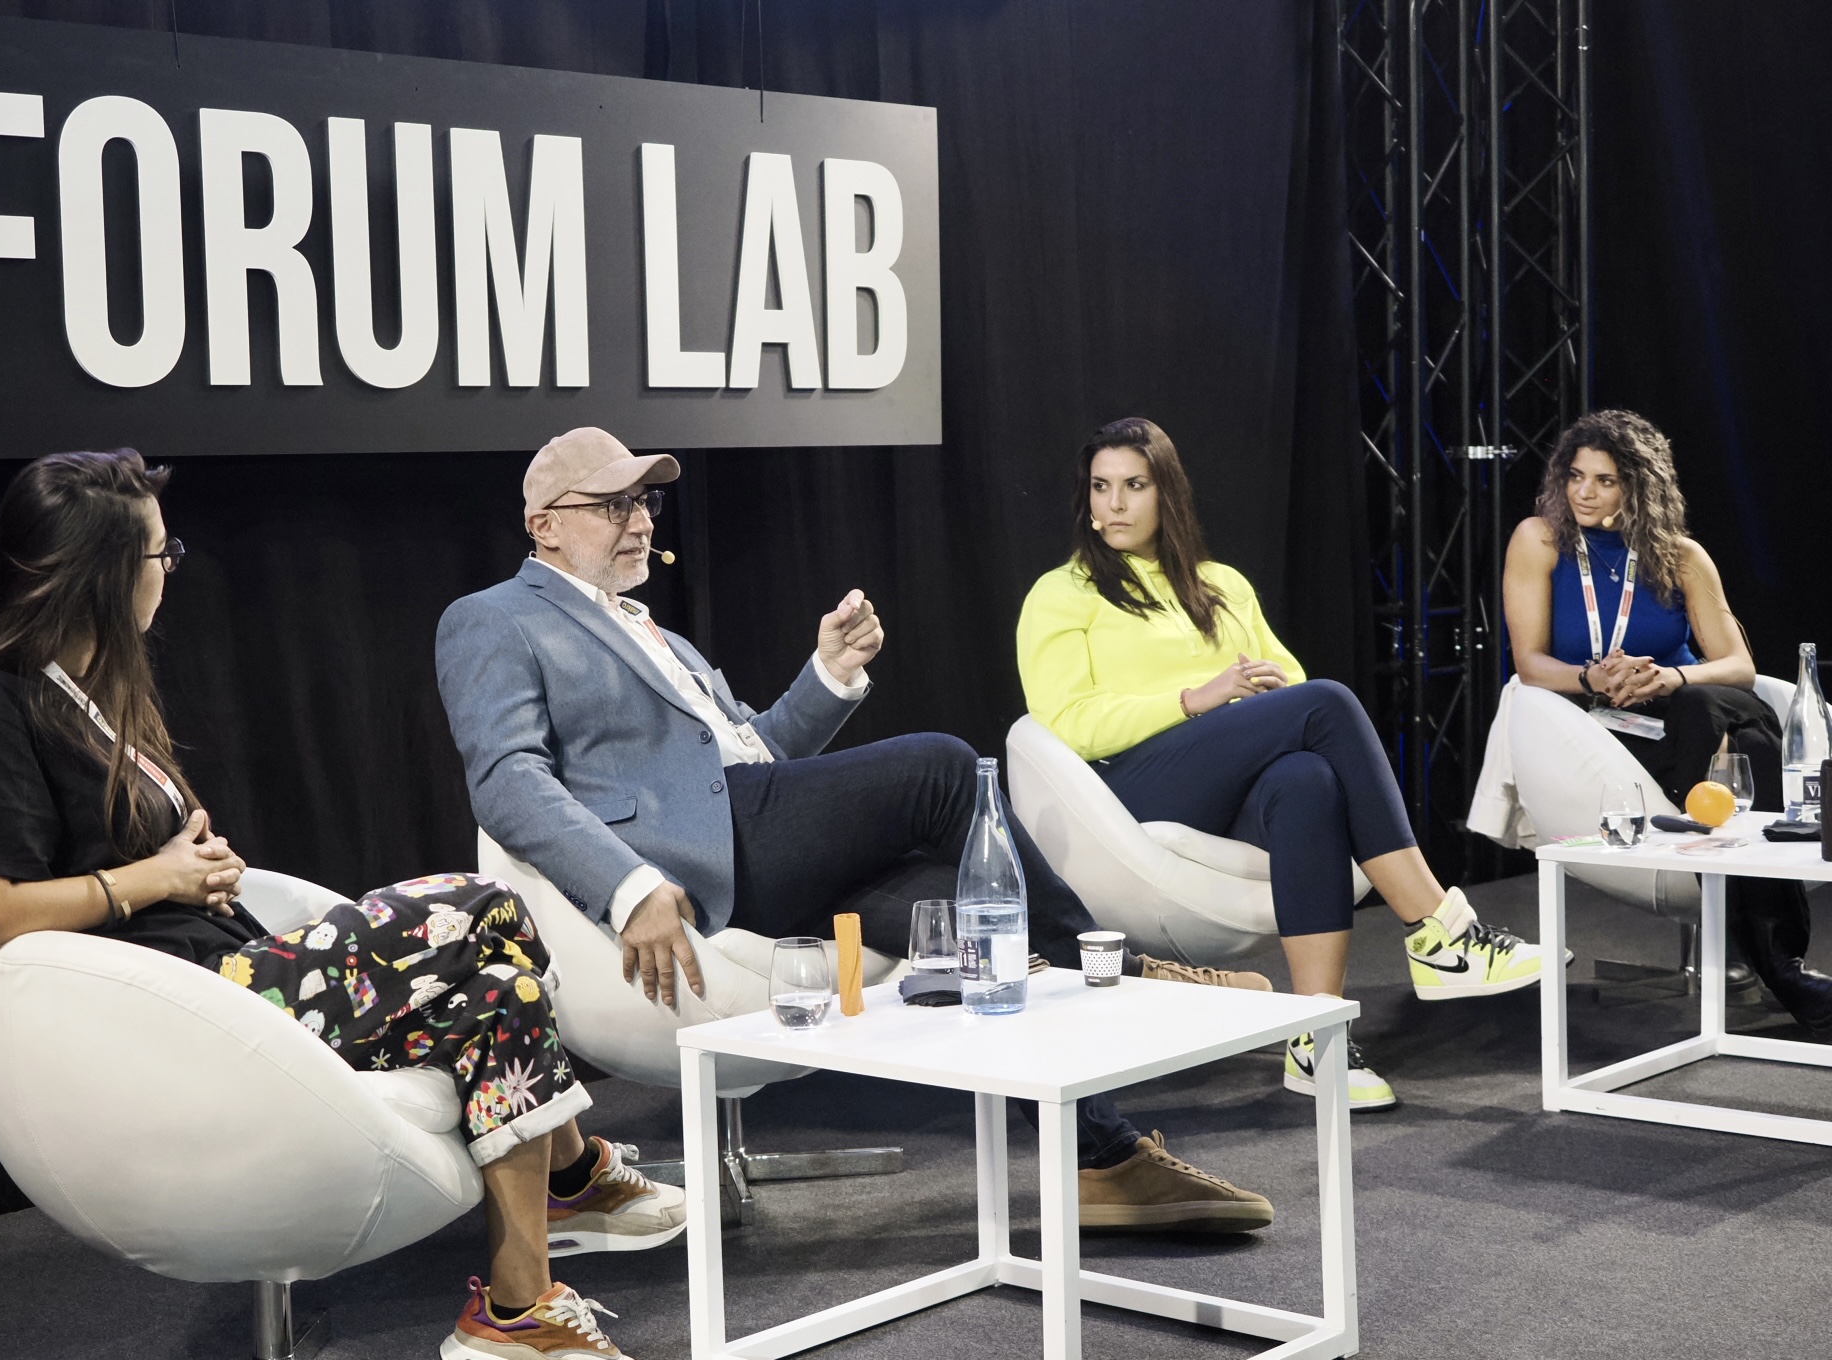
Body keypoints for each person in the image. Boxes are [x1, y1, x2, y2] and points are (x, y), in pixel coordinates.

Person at [0, 449, 682, 1360]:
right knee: (482, 904)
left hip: (230, 965)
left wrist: (189, 864)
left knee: (504, 1000)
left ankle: (516, 1313)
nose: (169, 573)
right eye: (161, 556)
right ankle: (577, 1171)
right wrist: (155, 879)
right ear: (101, 573)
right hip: (194, 1004)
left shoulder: (88, 693)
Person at [437, 426, 1276, 1233]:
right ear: (544, 525)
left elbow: (756, 752)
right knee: (942, 766)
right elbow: (507, 780)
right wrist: (629, 889)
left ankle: (1106, 1161)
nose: (642, 521)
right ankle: (1124, 968)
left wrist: (829, 675)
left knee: (965, 921)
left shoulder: (656, 630)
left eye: (646, 502)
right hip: (691, 861)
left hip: (756, 832)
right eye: (613, 505)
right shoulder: (494, 618)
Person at [1017, 417, 1551, 1113]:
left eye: (1134, 486)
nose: (1112, 505)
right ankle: (1440, 931)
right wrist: (1194, 698)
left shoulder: (1222, 586)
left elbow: (1285, 676)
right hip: (1125, 791)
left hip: (1221, 780)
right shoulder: (1064, 593)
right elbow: (1070, 723)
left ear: (1166, 493)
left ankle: (1315, 1033)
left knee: (1309, 781)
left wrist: (1264, 690)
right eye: (1100, 487)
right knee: (1326, 705)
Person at [1502, 409, 1832, 1037]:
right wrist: (1593, 677)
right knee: (1751, 736)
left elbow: (1738, 665)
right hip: (1595, 724)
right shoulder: (1539, 540)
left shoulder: (1680, 556)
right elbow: (1529, 663)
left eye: (1605, 481)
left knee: (1708, 707)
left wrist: (1672, 677)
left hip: (1687, 712)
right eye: (1575, 476)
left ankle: (1763, 943)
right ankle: (1779, 962)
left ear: (1639, 487)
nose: (1584, 493)